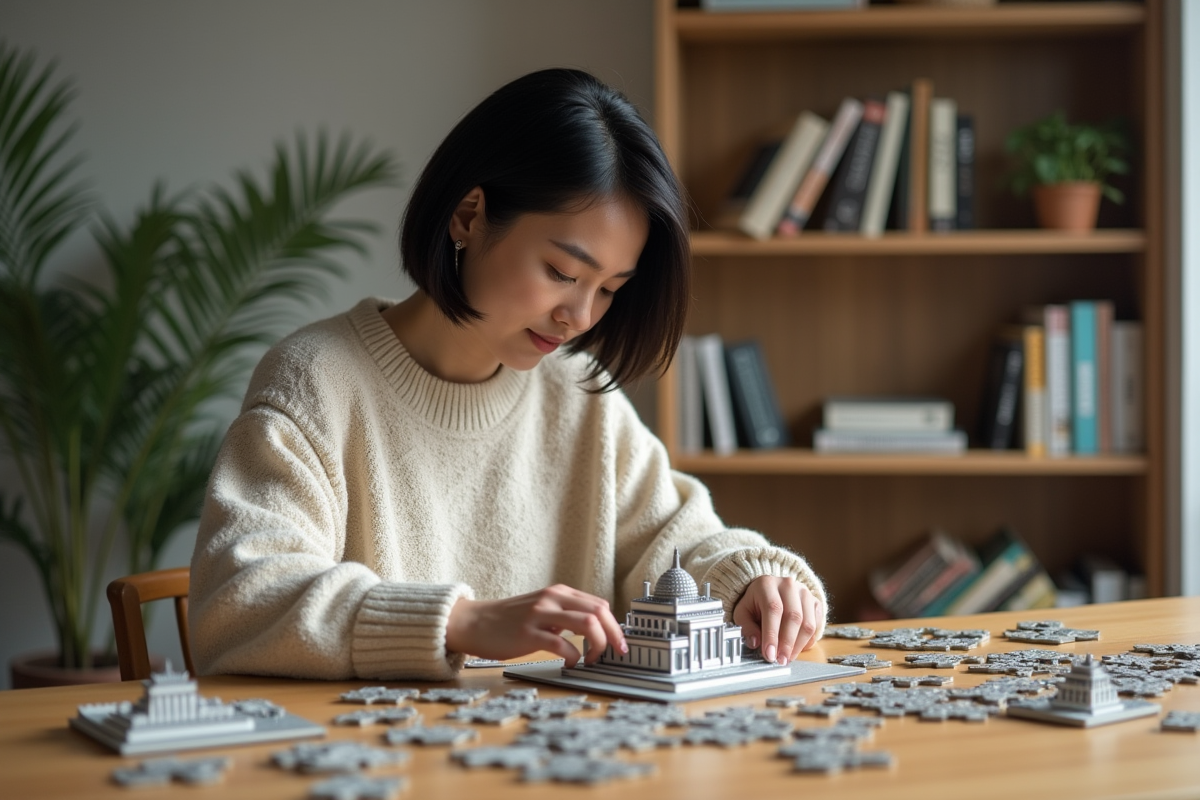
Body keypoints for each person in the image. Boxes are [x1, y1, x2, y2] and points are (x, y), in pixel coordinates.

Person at [189, 68, 826, 682]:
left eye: (608, 289)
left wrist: (751, 581)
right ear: (468, 216)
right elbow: (240, 599)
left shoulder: (577, 394)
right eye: (562, 272)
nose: (579, 315)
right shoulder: (316, 381)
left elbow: (678, 542)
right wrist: (460, 621)